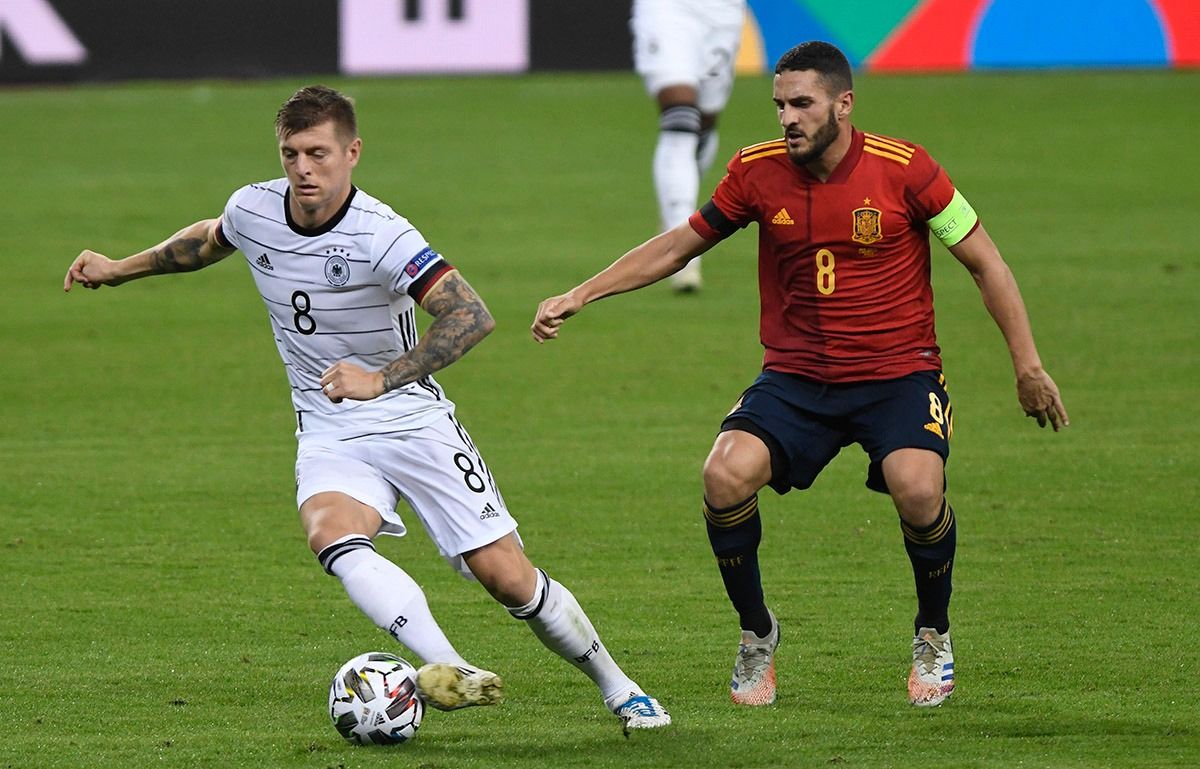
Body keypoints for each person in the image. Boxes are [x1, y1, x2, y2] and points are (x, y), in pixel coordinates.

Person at [64, 85, 670, 731]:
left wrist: (380, 379)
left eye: (318, 153)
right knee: (330, 532)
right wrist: (119, 268)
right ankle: (447, 665)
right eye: (291, 154)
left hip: (412, 421)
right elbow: (207, 240)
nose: (303, 169)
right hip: (328, 425)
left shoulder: (382, 234)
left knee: (508, 579)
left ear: (351, 152)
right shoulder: (254, 208)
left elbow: (471, 315)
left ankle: (621, 688)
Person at [532, 41, 1069, 708]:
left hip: (897, 375)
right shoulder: (755, 172)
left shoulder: (908, 169)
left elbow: (987, 263)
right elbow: (679, 245)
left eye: (802, 103)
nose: (787, 117)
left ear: (844, 105)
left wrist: (1028, 366)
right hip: (796, 378)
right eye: (780, 104)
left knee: (918, 487)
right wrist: (582, 292)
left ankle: (933, 630)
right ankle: (757, 632)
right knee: (724, 475)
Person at [630, 0, 745, 292]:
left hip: (723, 12)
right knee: (680, 119)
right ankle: (682, 247)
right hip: (668, 9)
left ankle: (675, 210)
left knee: (703, 124)